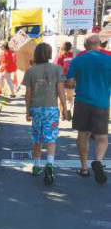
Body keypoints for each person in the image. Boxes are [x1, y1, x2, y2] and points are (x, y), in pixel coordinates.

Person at [66, 34, 111, 184]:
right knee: (102, 138)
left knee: (82, 136)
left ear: (85, 46)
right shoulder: (109, 59)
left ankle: (84, 168)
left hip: (82, 102)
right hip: (102, 103)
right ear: (99, 44)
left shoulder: (78, 59)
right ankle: (98, 161)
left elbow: (70, 83)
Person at [22, 43, 68, 185]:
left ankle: (36, 166)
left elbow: (28, 93)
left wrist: (27, 110)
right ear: (49, 54)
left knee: (37, 138)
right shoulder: (57, 69)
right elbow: (61, 91)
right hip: (51, 109)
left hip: (36, 108)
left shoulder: (31, 71)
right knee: (51, 137)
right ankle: (49, 163)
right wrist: (65, 108)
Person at [56, 42, 74, 119]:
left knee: (61, 98)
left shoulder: (60, 56)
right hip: (70, 78)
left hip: (61, 79)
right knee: (70, 98)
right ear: (70, 48)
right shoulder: (72, 56)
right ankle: (69, 109)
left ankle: (62, 114)